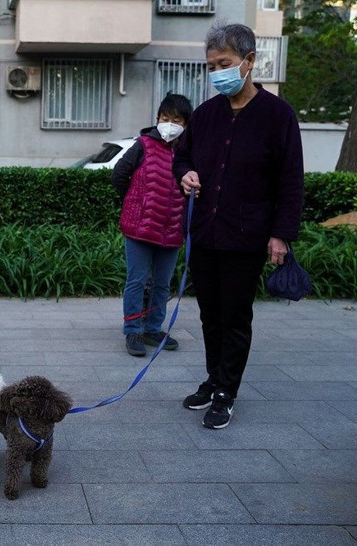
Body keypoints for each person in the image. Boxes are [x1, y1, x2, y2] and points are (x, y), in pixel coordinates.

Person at [173, 23, 303, 429]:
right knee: (209, 314)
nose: (217, 72)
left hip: (246, 235)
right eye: (211, 66)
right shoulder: (205, 114)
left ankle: (227, 391)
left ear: (249, 61)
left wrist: (281, 234)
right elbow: (182, 156)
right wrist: (185, 173)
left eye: (224, 63)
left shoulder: (278, 115)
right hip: (205, 232)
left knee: (234, 316)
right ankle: (214, 379)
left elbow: (291, 179)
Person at [112, 93, 193, 358]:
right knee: (136, 281)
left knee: (162, 284)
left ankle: (153, 329)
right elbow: (119, 175)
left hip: (171, 230)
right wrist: (136, 202)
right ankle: (133, 330)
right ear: (157, 118)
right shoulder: (143, 145)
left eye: (176, 120)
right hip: (139, 228)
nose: (169, 124)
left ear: (186, 124)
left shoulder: (188, 153)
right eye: (165, 118)